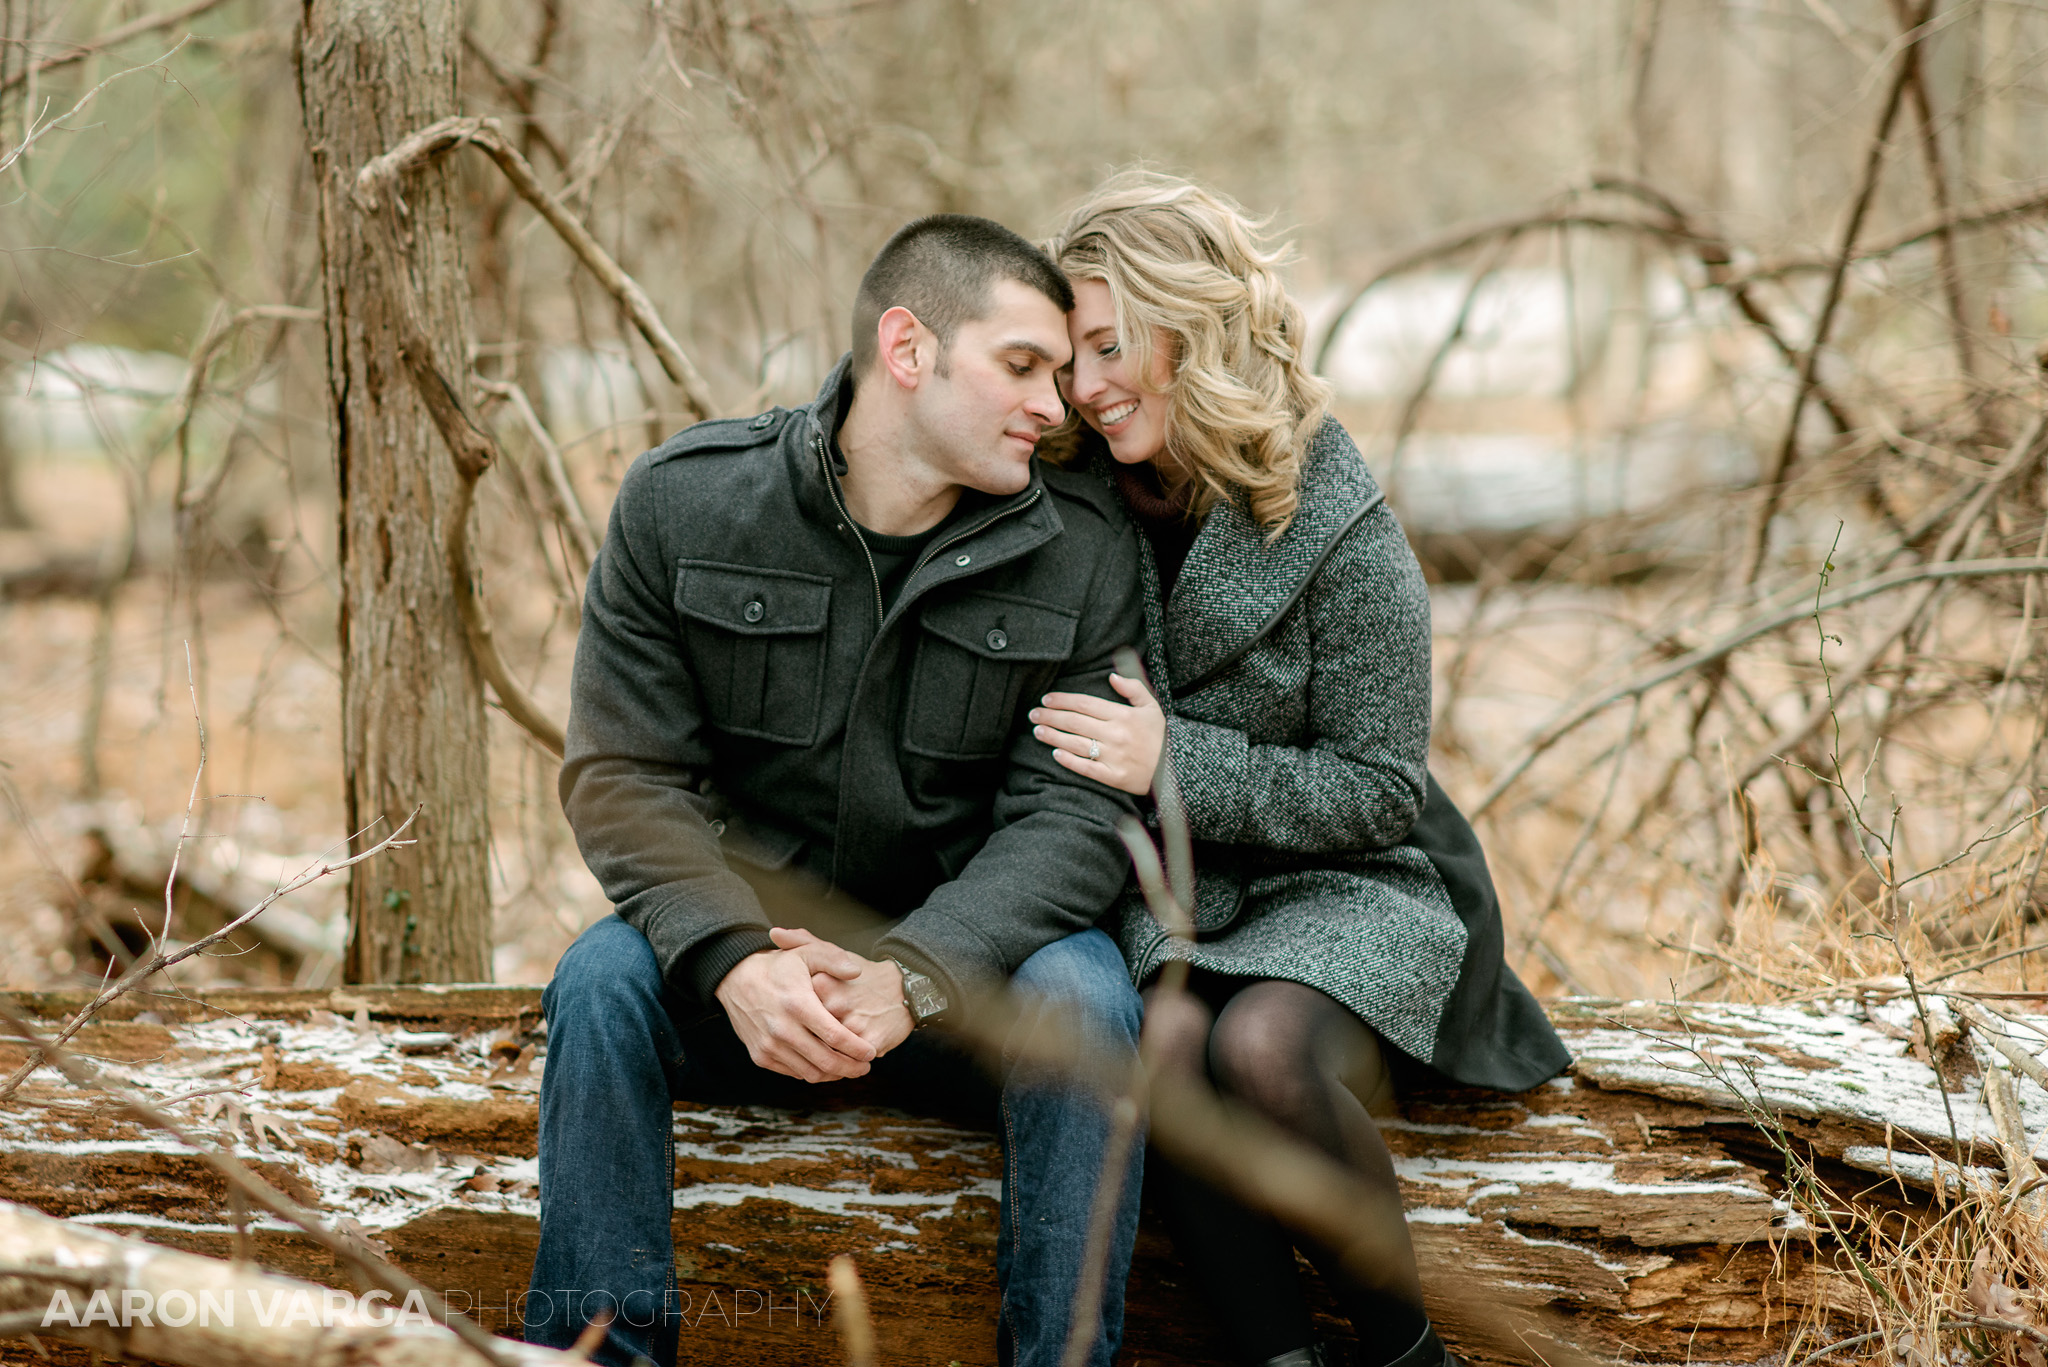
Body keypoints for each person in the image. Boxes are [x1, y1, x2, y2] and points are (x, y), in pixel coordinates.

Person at [528, 215, 1150, 1367]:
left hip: (970, 986)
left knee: (1086, 990)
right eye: (1022, 367)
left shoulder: (1081, 545)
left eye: (1061, 375)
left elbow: (1073, 816)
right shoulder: (689, 502)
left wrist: (914, 973)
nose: (1055, 407)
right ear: (907, 348)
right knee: (600, 975)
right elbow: (621, 774)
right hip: (755, 980)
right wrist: (730, 957)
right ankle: (598, 1355)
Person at [1026, 172, 1572, 1367]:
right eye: (1071, 358)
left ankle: (1405, 1348)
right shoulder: (1063, 498)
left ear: (1195, 330)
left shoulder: (1333, 511)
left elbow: (1379, 787)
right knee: (1162, 1046)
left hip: (1351, 886)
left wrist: (1177, 758)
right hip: (1165, 894)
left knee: (1257, 1048)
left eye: (1112, 347)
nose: (1087, 385)